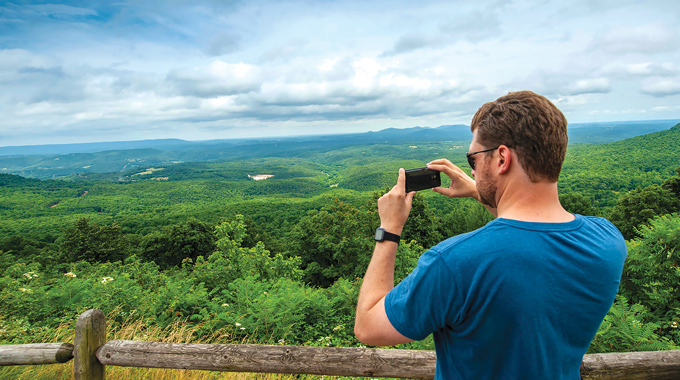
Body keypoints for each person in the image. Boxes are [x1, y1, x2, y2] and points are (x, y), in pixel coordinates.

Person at [354, 91, 627, 379]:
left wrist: (390, 229)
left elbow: (368, 326)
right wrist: (479, 190)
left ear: (501, 158)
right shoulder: (607, 240)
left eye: (473, 158)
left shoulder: (454, 264)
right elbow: (532, 234)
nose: (472, 167)